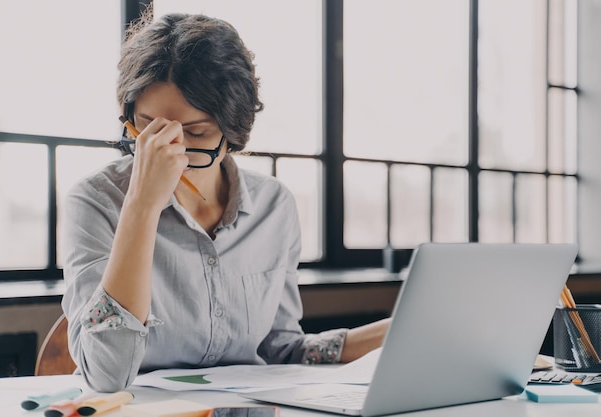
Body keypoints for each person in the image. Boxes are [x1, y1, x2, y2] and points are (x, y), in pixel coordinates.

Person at [61, 10, 389, 393]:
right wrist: (141, 206)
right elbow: (105, 375)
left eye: (195, 133)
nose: (171, 151)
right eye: (149, 128)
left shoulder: (273, 206)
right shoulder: (96, 201)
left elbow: (280, 349)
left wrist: (396, 332)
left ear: (232, 131)